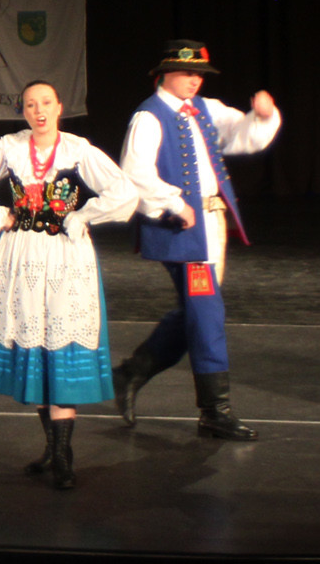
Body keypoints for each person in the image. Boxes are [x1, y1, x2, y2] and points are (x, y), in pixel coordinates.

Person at [0, 80, 139, 489]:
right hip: (22, 257)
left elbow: (123, 192)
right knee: (35, 348)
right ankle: (52, 450)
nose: (39, 111)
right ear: (23, 111)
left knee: (61, 346)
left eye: (46, 103)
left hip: (66, 258)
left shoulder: (77, 150)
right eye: (31, 105)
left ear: (59, 107)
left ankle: (64, 457)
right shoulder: (9, 147)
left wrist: (82, 216)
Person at [114, 39, 280, 441]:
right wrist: (174, 203)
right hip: (182, 229)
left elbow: (242, 134)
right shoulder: (150, 116)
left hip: (210, 224)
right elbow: (134, 172)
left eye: (199, 75)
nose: (195, 81)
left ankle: (132, 373)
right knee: (206, 312)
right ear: (164, 74)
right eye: (187, 73)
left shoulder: (206, 108)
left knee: (198, 310)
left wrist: (262, 117)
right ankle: (214, 411)